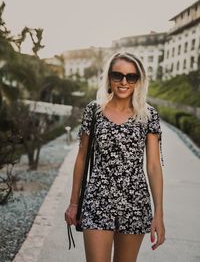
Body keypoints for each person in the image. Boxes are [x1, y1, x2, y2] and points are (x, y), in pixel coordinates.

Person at [65, 52, 165, 262]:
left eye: (131, 77)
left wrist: (159, 214)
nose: (124, 82)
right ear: (109, 77)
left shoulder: (149, 116)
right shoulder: (94, 111)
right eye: (117, 75)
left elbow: (154, 166)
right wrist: (74, 203)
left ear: (139, 80)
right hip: (97, 199)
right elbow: (81, 158)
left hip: (134, 201)